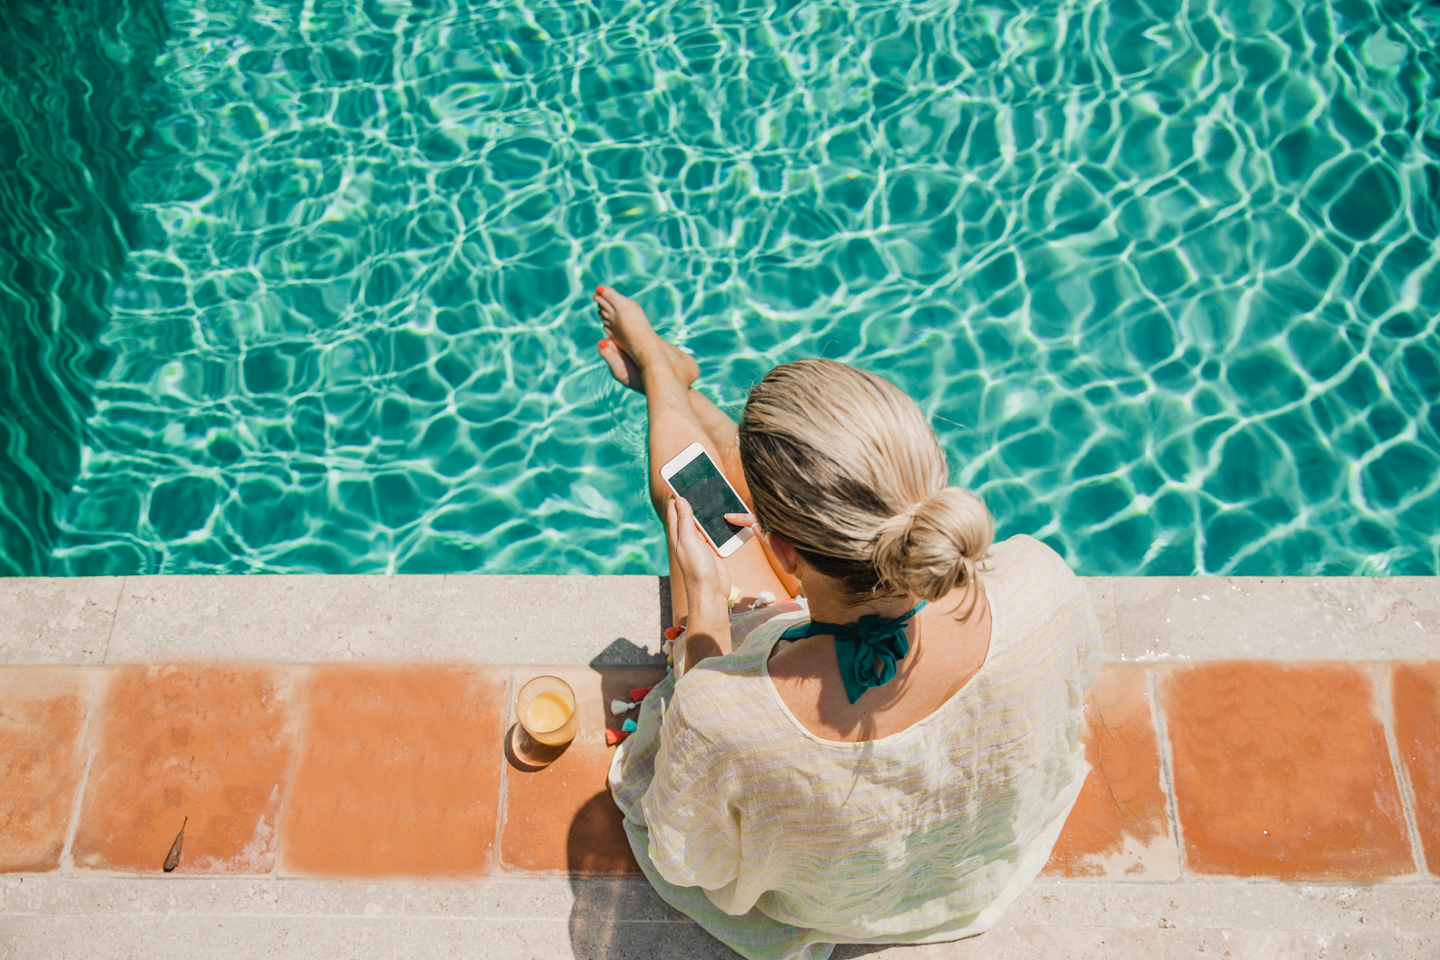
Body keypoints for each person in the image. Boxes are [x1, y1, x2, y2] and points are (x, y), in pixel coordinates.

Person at [594, 285, 1101, 960]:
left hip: (832, 902)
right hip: (978, 872)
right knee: (728, 507)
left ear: (782, 551)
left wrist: (710, 607)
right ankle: (677, 383)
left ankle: (662, 374)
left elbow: (691, 856)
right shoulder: (1042, 583)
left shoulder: (727, 716)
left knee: (698, 508)